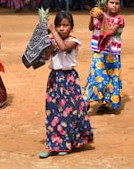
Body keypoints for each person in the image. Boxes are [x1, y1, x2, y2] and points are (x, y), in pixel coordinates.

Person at [39, 11, 93, 158]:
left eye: (65, 25)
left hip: (68, 79)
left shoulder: (74, 41)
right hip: (55, 79)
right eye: (59, 25)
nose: (62, 28)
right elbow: (46, 57)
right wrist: (44, 42)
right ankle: (53, 145)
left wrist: (53, 33)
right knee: (53, 112)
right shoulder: (53, 40)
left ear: (71, 27)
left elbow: (63, 47)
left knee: (68, 112)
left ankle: (68, 143)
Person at [82, 0, 125, 114]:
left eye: (117, 3)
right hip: (99, 52)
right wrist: (92, 17)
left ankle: (107, 103)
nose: (114, 5)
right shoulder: (100, 15)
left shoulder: (119, 19)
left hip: (112, 54)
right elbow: (91, 27)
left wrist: (102, 19)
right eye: (112, 2)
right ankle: (86, 100)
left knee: (111, 78)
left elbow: (111, 31)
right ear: (106, 4)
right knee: (96, 76)